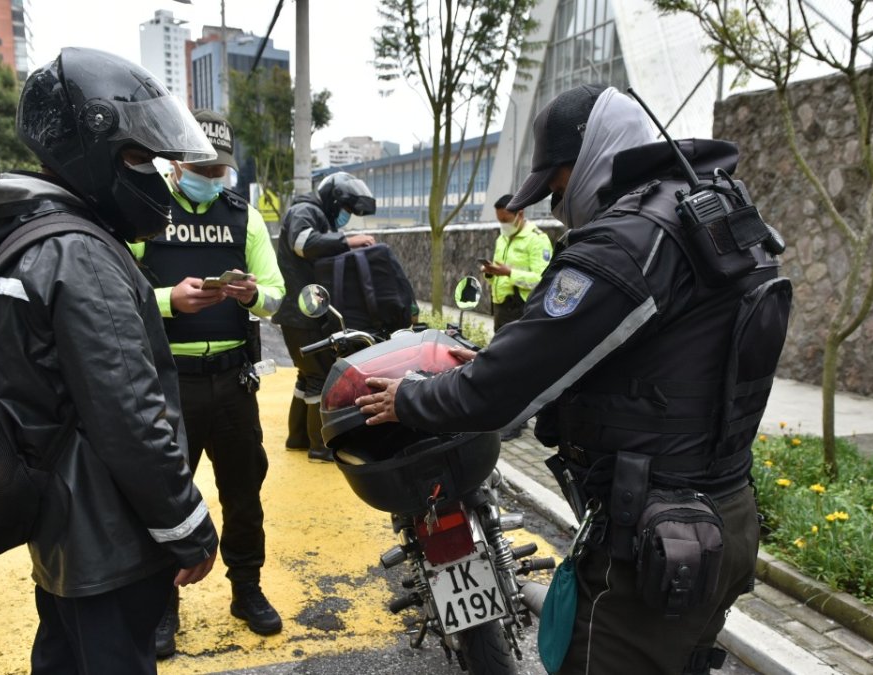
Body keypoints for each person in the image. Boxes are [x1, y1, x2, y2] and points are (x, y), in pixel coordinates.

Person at [354, 84, 791, 674]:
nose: (559, 208)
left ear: (594, 158)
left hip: (650, 539)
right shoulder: (714, 211)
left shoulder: (629, 240)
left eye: (558, 187)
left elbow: (503, 395)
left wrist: (412, 399)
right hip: (722, 515)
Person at [0, 48, 220, 673]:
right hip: (109, 538)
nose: (152, 174)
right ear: (86, 145)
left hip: (65, 533)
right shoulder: (79, 252)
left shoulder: (26, 235)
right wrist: (187, 526)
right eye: (137, 157)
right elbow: (128, 412)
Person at [129, 109, 286, 656]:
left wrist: (250, 296)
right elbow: (114, 292)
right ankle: (162, 609)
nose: (211, 176)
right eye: (200, 166)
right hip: (169, 383)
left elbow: (276, 294)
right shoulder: (146, 211)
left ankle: (247, 589)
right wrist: (169, 300)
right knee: (167, 498)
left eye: (218, 169)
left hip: (232, 381)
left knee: (244, 493)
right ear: (175, 163)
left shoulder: (244, 216)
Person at [272, 172, 376, 462]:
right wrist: (347, 241)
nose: (346, 217)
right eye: (346, 210)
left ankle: (299, 438)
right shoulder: (306, 211)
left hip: (301, 309)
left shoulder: (312, 211)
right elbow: (303, 243)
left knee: (307, 375)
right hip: (302, 311)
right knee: (319, 376)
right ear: (334, 201)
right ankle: (320, 447)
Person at [482, 193, 553, 440]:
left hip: (522, 308)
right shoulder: (504, 237)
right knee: (502, 363)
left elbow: (543, 279)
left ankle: (517, 421)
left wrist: (508, 272)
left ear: (520, 214)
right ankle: (505, 414)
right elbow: (500, 269)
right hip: (502, 308)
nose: (503, 224)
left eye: (506, 218)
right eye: (500, 219)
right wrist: (491, 273)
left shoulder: (537, 240)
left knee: (518, 365)